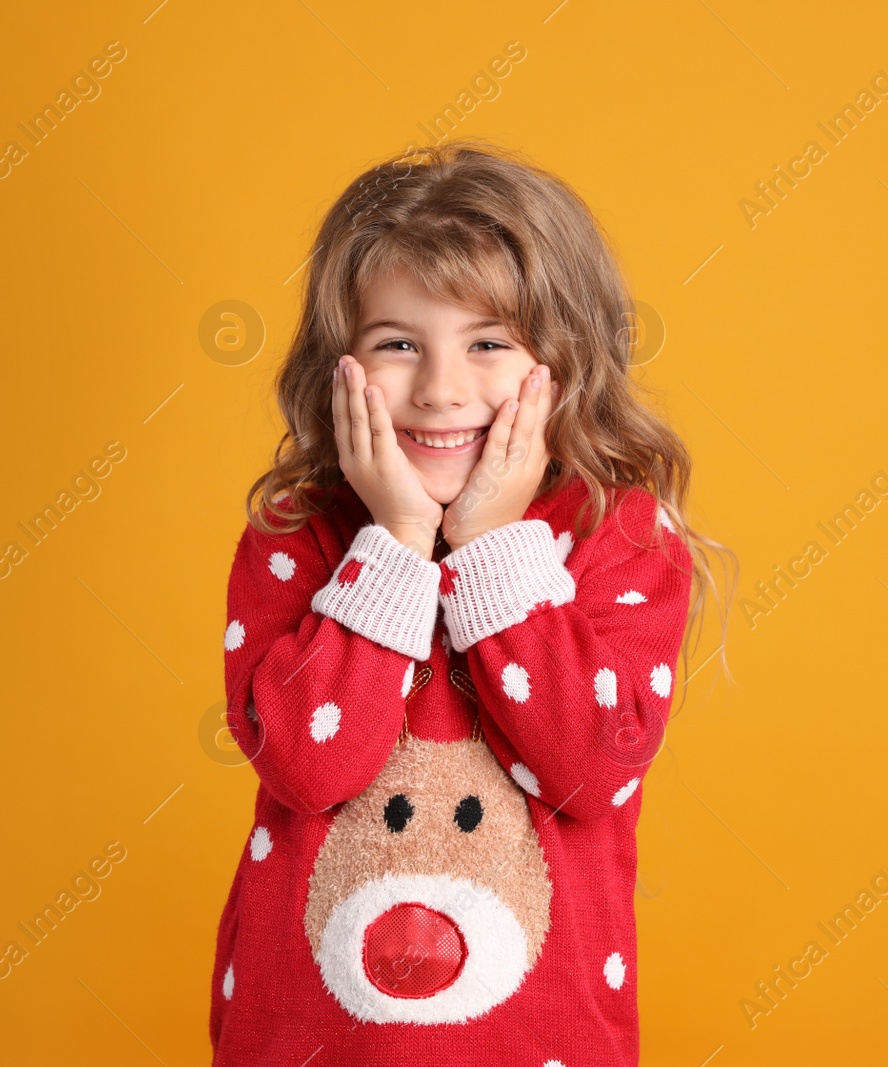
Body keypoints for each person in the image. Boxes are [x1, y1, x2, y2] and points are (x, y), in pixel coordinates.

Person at [212, 138, 735, 1065]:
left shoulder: (619, 536)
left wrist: (491, 547)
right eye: (398, 344)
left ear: (566, 360)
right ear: (340, 364)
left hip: (541, 1038)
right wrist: (400, 540)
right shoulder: (299, 534)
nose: (441, 389)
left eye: (489, 343)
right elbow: (305, 766)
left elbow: (586, 767)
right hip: (310, 1036)